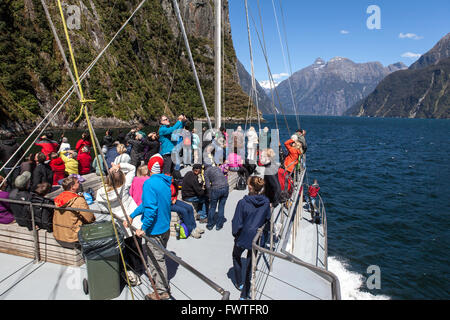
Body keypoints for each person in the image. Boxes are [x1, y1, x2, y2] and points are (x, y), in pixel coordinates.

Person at [124, 158, 173, 300]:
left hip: (154, 231)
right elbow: (147, 204)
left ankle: (162, 292)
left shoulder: (149, 183)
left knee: (156, 261)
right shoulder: (165, 181)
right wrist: (132, 215)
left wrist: (143, 228)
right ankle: (162, 286)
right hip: (165, 228)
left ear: (150, 168)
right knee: (159, 257)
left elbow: (150, 209)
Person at [96, 162, 143, 284]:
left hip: (120, 222)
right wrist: (119, 166)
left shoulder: (101, 193)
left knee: (126, 247)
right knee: (136, 245)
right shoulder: (125, 185)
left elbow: (103, 208)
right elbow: (133, 168)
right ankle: (138, 268)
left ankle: (131, 269)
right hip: (133, 221)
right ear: (122, 177)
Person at [231, 176, 271, 300]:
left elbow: (237, 222)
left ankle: (239, 282)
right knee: (250, 266)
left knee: (236, 255)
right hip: (256, 238)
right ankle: (244, 294)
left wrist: (235, 235)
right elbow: (267, 218)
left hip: (243, 236)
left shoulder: (243, 203)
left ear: (250, 187)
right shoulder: (265, 203)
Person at [53, 176, 95, 249]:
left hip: (59, 235)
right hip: (73, 238)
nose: (80, 183)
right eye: (78, 182)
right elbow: (90, 219)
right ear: (72, 186)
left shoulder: (58, 198)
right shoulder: (78, 200)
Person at [204, 165, 229, 231]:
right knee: (221, 207)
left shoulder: (206, 172)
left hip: (216, 189)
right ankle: (219, 225)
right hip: (226, 187)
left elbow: (208, 186)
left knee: (212, 207)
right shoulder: (217, 168)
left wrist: (209, 195)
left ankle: (210, 225)